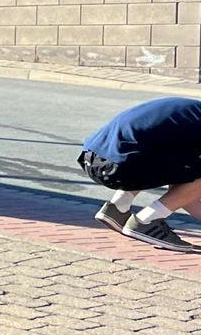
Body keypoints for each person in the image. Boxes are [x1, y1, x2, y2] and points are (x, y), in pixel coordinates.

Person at [81, 97, 201, 251]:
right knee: (190, 172)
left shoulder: (193, 112)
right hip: (119, 167)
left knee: (165, 155)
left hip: (91, 158)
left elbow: (183, 191)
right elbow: (185, 190)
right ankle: (147, 221)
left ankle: (118, 207)